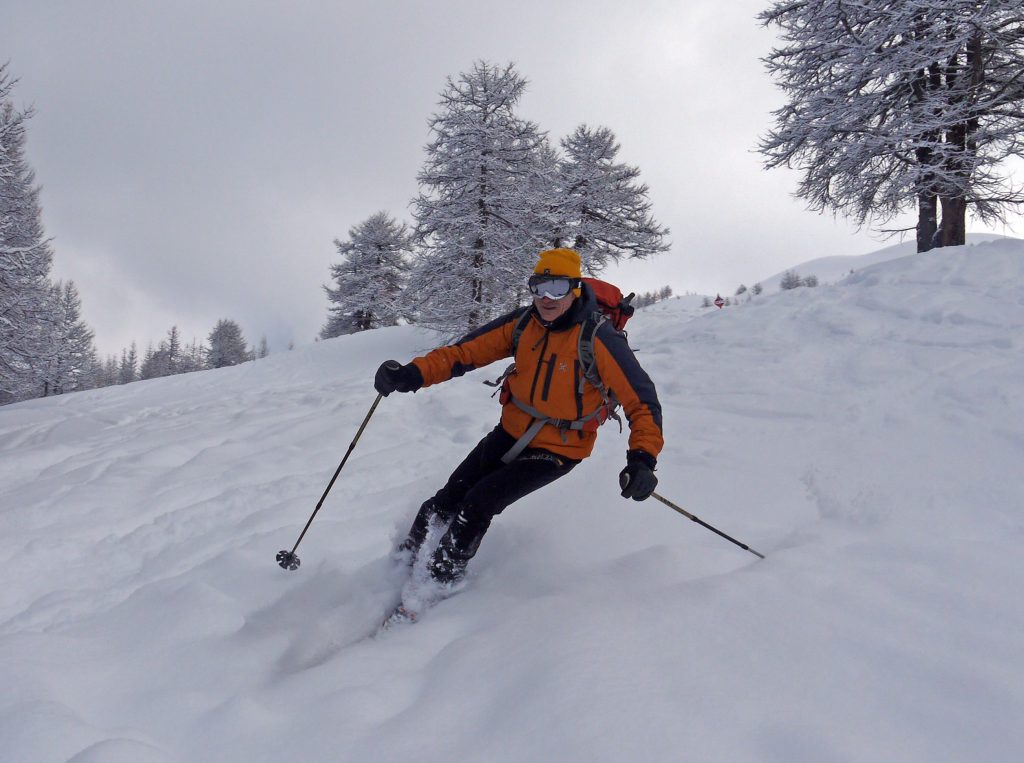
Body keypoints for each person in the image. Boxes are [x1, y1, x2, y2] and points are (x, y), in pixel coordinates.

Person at [374, 247, 663, 589]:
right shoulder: (524, 323)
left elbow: (642, 401)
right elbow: (464, 353)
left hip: (559, 449)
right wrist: (412, 373)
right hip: (510, 431)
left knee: (477, 505)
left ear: (574, 289)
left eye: (557, 288)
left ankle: (434, 587)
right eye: (539, 287)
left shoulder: (598, 337)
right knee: (444, 501)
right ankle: (398, 571)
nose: (547, 298)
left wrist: (642, 459)